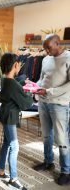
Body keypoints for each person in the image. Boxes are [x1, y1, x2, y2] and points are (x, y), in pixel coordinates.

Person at [33, 34, 70, 186]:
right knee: (47, 136)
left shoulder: (68, 58)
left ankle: (66, 171)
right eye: (45, 49)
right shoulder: (46, 59)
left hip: (59, 104)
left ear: (57, 43)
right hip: (43, 102)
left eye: (49, 47)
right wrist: (34, 86)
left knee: (61, 138)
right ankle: (48, 162)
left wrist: (49, 92)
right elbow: (43, 79)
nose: (47, 51)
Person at [0, 53, 33, 190]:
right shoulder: (12, 84)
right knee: (14, 146)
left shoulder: (4, 80)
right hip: (10, 116)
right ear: (15, 65)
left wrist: (22, 83)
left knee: (6, 143)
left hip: (5, 114)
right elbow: (26, 103)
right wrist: (30, 92)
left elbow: (14, 85)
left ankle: (0, 171)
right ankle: (13, 178)